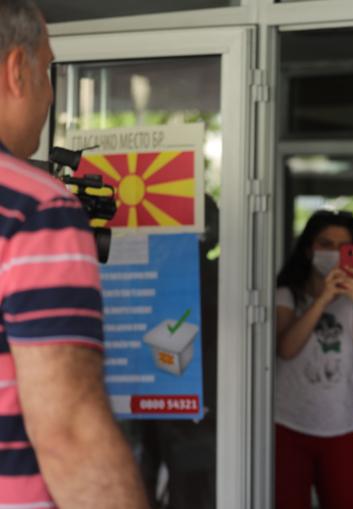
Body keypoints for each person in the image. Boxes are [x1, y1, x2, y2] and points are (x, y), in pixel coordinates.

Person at [0, 1, 149, 508]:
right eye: (47, 70)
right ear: (17, 71)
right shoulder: (34, 207)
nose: (49, 96)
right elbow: (69, 433)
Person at [274, 209, 353, 509]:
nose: (333, 252)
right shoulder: (287, 295)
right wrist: (322, 299)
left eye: (343, 246)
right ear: (309, 249)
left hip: (344, 425)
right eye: (326, 244)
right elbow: (286, 349)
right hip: (290, 424)